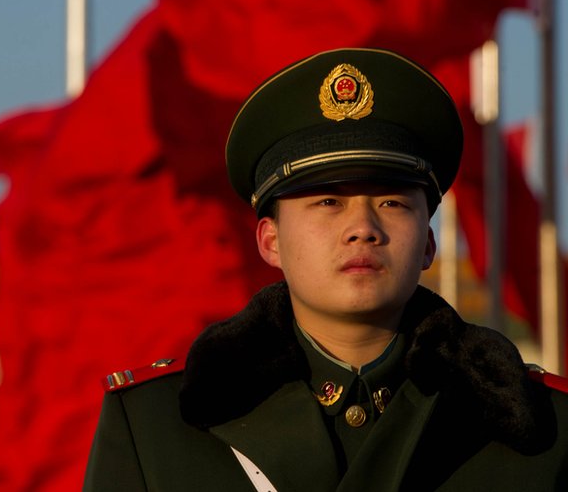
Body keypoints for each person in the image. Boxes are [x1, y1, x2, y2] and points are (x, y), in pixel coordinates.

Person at [82, 48, 568, 491]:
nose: (363, 228)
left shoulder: (542, 426)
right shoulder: (154, 426)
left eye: (393, 202)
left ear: (428, 244)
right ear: (270, 240)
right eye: (329, 201)